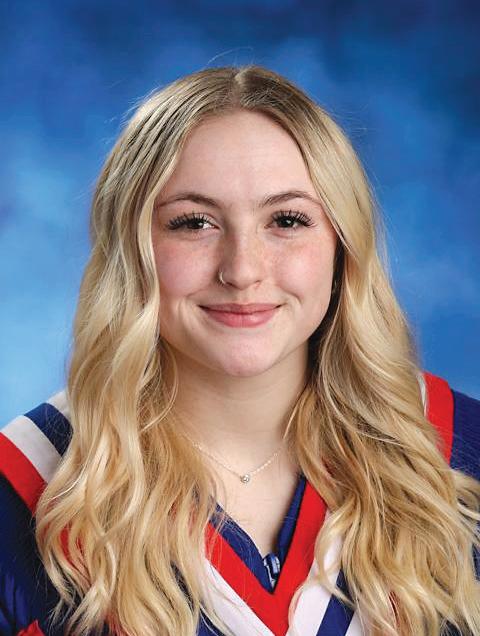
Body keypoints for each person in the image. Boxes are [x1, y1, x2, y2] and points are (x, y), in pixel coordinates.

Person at [0, 65, 479, 636]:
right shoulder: (21, 494)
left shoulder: (456, 453)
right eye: (194, 223)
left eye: (287, 220)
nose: (243, 270)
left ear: (342, 246)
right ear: (132, 249)